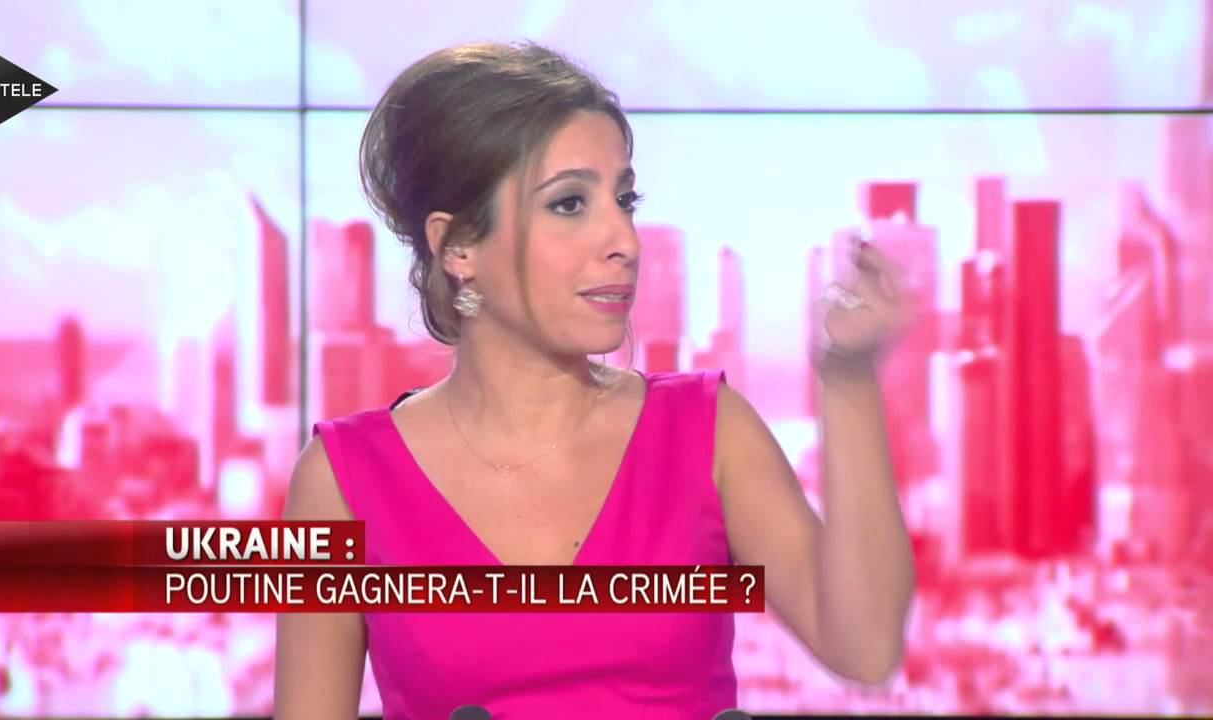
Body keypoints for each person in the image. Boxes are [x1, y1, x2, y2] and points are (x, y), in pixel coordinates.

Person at [274, 41, 916, 719]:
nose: (625, 241)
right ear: (458, 246)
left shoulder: (706, 429)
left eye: (624, 199)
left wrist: (848, 378)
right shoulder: (342, 479)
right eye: (570, 204)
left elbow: (866, 646)